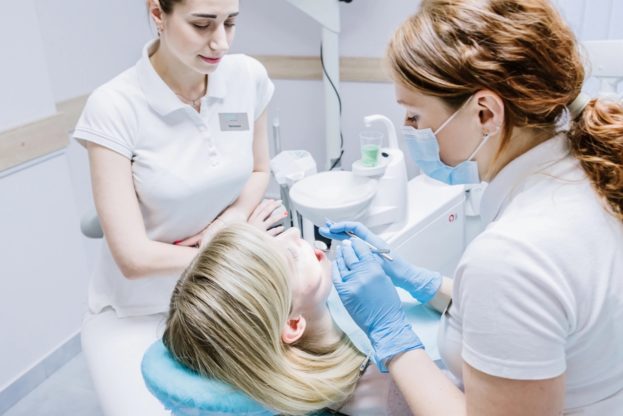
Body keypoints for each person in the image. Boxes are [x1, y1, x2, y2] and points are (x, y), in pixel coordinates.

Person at [321, 0, 623, 414]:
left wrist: (391, 335)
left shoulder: (512, 256)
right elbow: (541, 320)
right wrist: (428, 284)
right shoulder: (592, 170)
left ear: (485, 113)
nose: (409, 130)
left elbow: (515, 283)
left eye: (413, 115)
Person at [72, 0, 282, 414]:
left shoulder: (247, 77)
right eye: (202, 25)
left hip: (219, 293)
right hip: (138, 308)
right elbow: (133, 258)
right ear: (158, 15)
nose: (221, 43)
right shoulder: (115, 106)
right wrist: (229, 250)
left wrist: (231, 222)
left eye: (230, 23)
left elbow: (260, 169)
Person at [163, 223, 412, 416]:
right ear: (292, 324)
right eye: (291, 256)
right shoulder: (389, 392)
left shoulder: (346, 310)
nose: (293, 232)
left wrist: (423, 285)